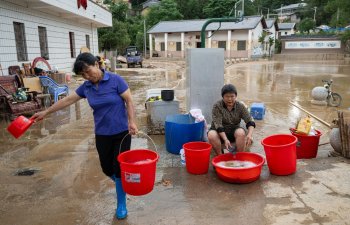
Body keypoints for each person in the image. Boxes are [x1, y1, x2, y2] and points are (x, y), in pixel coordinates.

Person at [31, 52, 138, 220]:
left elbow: (129, 101)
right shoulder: (86, 87)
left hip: (121, 133)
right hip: (102, 133)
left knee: (118, 168)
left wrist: (132, 121)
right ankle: (123, 184)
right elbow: (67, 101)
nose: (87, 76)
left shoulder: (115, 80)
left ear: (97, 64)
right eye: (83, 75)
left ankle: (121, 203)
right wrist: (46, 111)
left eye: (88, 71)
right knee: (106, 168)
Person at [208, 84, 255, 155]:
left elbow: (250, 121)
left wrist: (249, 135)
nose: (230, 99)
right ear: (223, 97)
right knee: (211, 134)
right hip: (219, 133)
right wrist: (225, 139)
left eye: (232, 96)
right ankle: (220, 156)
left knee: (241, 132)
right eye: (227, 96)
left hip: (233, 131)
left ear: (235, 96)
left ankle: (239, 157)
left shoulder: (240, 106)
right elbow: (218, 125)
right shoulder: (217, 106)